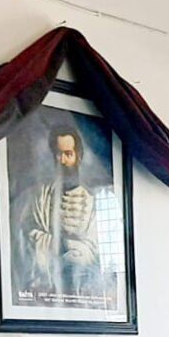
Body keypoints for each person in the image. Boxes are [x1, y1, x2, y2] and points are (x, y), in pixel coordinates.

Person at [20, 123, 102, 303]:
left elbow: (95, 249)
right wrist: (57, 244)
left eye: (68, 154)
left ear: (78, 156)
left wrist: (76, 251)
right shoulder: (41, 195)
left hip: (80, 285)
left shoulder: (91, 202)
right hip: (45, 283)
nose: (62, 160)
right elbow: (26, 233)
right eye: (58, 154)